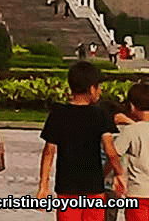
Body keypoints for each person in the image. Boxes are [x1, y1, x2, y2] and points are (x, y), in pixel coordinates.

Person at [37, 61, 125, 219]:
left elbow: (49, 151)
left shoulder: (58, 114)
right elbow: (110, 149)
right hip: (94, 188)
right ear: (92, 88)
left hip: (67, 188)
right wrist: (119, 173)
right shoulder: (101, 114)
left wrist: (43, 185)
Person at [113, 80, 149, 221]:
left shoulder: (131, 131)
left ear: (132, 107)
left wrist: (117, 174)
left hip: (137, 195)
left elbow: (113, 154)